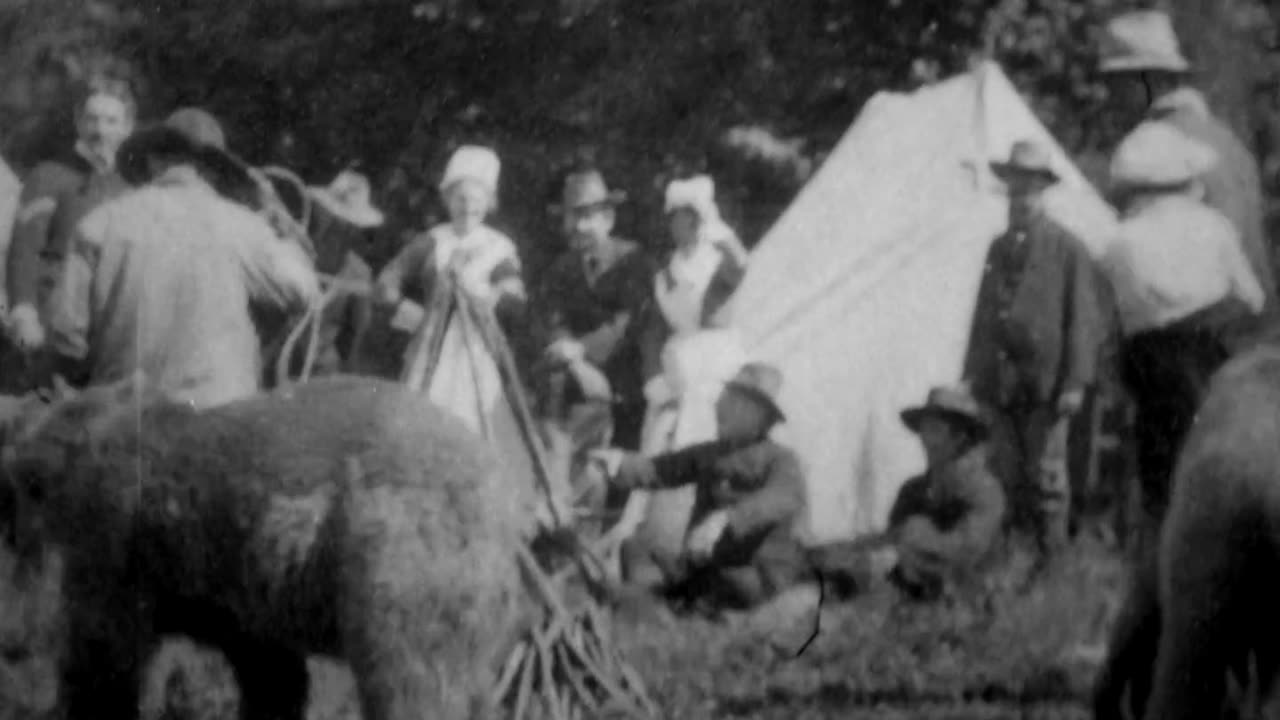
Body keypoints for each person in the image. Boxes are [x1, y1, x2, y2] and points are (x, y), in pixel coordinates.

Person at [44, 107, 320, 409]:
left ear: (152, 161)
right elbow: (304, 291)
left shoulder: (99, 223)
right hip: (217, 419)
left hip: (123, 425)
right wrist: (286, 233)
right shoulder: (245, 228)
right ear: (213, 172)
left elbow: (65, 335)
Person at [1100, 121, 1264, 522]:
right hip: (1215, 354)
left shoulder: (1120, 241)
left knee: (1163, 471)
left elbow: (1113, 320)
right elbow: (1252, 299)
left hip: (1152, 365)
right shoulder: (1214, 227)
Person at [962, 140, 1109, 561]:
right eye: (1014, 190)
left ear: (1044, 192)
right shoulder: (998, 247)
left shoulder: (1067, 249)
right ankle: (1014, 555)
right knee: (1006, 470)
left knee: (1048, 475)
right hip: (1002, 384)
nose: (1020, 199)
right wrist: (975, 373)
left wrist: (1075, 382)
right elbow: (984, 316)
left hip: (1046, 384)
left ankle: (1052, 560)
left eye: (1029, 190)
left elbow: (1083, 320)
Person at [592, 362, 810, 614]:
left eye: (733, 403)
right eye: (724, 399)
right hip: (706, 566)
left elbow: (780, 499)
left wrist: (726, 519)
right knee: (634, 548)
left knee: (717, 586)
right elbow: (661, 470)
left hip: (756, 574)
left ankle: (671, 603)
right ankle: (667, 600)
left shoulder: (782, 461)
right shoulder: (711, 453)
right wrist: (616, 462)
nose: (719, 407)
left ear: (759, 417)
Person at [1099, 9, 1276, 311]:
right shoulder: (1227, 140)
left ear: (1149, 81)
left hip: (1195, 330)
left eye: (1117, 83)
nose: (1110, 96)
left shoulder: (1149, 150)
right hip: (1255, 320)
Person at [4, 78, 135, 390]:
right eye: (92, 119)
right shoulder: (48, 176)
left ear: (127, 127)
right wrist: (25, 313)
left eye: (110, 121)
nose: (100, 131)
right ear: (78, 122)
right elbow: (25, 249)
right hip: (55, 317)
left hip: (113, 320)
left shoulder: (133, 186)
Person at [534, 164, 657, 451]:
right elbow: (552, 316)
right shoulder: (561, 269)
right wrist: (570, 353)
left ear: (608, 219)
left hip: (626, 380)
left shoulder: (634, 261)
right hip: (575, 378)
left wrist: (583, 349)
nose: (578, 227)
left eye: (587, 218)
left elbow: (629, 321)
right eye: (571, 218)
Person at [887, 384, 1007, 601]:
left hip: (971, 605)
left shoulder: (985, 492)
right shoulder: (912, 490)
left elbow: (966, 550)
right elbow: (890, 545)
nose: (924, 440)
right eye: (923, 430)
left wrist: (915, 538)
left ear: (959, 438)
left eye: (935, 431)